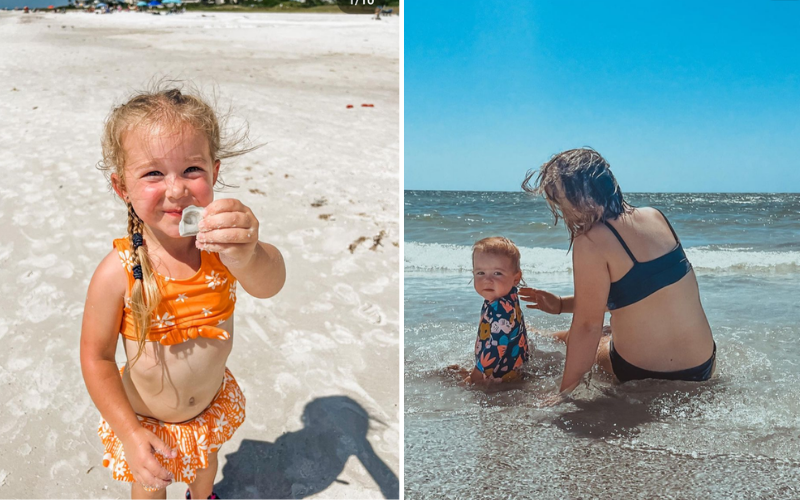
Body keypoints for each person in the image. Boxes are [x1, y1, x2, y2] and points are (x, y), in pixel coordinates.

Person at [80, 85, 286, 499]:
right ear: (122, 188)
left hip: (208, 408)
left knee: (205, 464)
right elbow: (96, 357)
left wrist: (248, 254)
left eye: (192, 170)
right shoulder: (119, 273)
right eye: (153, 173)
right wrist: (131, 434)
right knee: (151, 487)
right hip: (147, 421)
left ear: (214, 170)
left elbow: (270, 284)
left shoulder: (224, 252)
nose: (176, 190)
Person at [519, 148, 715, 395]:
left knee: (593, 336)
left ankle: (548, 337)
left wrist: (565, 392)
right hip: (704, 365)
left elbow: (587, 326)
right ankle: (551, 335)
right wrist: (559, 304)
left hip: (643, 372)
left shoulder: (590, 240)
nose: (560, 208)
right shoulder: (655, 216)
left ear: (579, 196)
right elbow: (637, 296)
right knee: (613, 327)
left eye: (559, 198)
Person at [464, 237, 530, 384]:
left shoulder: (501, 309)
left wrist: (476, 374)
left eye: (497, 273)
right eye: (480, 273)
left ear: (516, 278)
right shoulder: (507, 296)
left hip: (502, 376)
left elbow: (495, 347)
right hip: (513, 365)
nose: (487, 280)